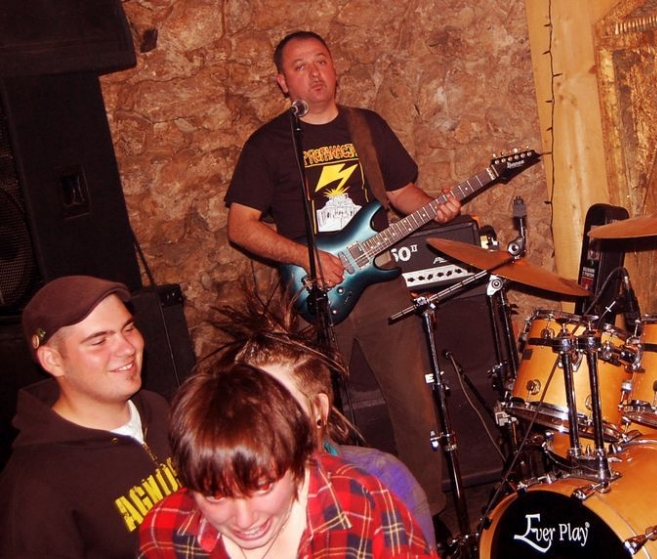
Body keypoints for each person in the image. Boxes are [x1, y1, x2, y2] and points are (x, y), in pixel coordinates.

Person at [225, 30, 459, 523]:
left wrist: (435, 207)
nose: (314, 73)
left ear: (334, 69)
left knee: (416, 405)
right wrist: (303, 256)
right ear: (282, 82)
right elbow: (240, 226)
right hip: (313, 294)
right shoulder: (268, 143)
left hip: (382, 285)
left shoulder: (366, 126)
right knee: (313, 415)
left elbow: (400, 194)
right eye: (300, 66)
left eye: (321, 61)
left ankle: (426, 514)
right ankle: (328, 517)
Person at [205, 278, 437, 551]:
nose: (272, 427)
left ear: (320, 409)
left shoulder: (383, 479)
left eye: (286, 408)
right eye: (256, 412)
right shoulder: (203, 510)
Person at [137, 362, 434, 558]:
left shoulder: (360, 503)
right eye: (215, 496)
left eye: (263, 487)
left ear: (298, 458)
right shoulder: (166, 531)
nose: (244, 520)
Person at [0, 275, 178, 558]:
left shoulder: (156, 408)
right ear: (53, 360)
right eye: (99, 341)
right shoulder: (36, 485)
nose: (128, 348)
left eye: (128, 328)